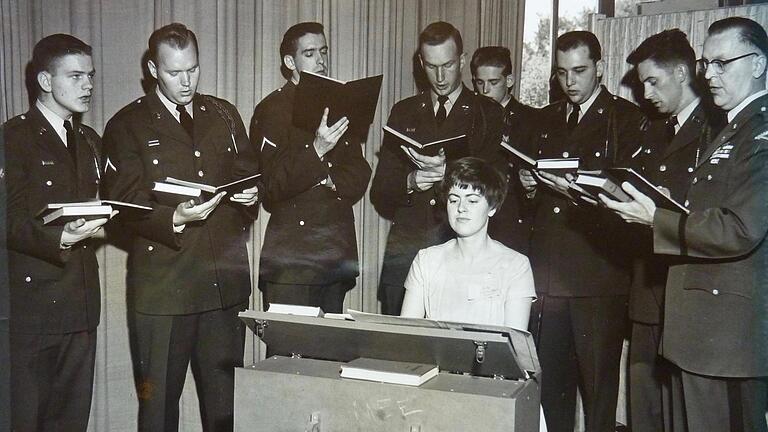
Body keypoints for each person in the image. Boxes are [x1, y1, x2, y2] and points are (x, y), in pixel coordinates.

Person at [602, 17, 768, 431]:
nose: (708, 75)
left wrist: (654, 218)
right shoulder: (734, 129)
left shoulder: (759, 131)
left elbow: (739, 228)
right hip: (699, 333)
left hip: (726, 339)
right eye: (706, 64)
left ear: (759, 65)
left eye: (722, 63)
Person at [101, 23, 259, 431]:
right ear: (154, 69)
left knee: (225, 412)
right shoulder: (127, 124)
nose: (187, 81)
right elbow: (123, 205)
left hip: (223, 288)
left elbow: (246, 175)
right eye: (175, 73)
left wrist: (249, 199)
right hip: (163, 293)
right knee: (158, 411)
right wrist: (173, 217)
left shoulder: (224, 114)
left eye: (193, 69)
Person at [519, 31, 645, 432]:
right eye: (561, 73)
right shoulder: (544, 119)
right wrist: (527, 184)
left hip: (597, 276)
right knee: (551, 389)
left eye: (579, 70)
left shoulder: (626, 120)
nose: (570, 81)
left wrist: (573, 193)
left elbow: (630, 204)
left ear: (600, 68)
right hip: (549, 275)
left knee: (598, 396)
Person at [4, 34, 104, 431]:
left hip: (80, 306)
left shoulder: (89, 141)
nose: (89, 86)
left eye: (91, 76)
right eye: (76, 76)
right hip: (32, 312)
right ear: (45, 81)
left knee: (70, 422)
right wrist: (58, 238)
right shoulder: (13, 139)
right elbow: (4, 219)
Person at [624, 29, 723, 432]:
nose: (645, 93)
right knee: (645, 403)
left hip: (691, 289)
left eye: (653, 81)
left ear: (682, 73)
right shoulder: (653, 130)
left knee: (686, 414)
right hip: (649, 289)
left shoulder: (717, 127)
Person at [371, 21, 505, 315]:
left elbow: (498, 188)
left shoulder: (489, 113)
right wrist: (411, 180)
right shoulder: (403, 111)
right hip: (406, 257)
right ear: (421, 63)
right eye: (432, 67)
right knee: (397, 356)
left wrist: (450, 172)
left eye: (448, 64)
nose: (441, 76)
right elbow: (380, 193)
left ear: (462, 60)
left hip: (461, 257)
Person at [250, 22, 371, 313]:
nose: (321, 61)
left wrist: (330, 180)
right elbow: (271, 187)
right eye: (310, 53)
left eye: (324, 51)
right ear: (290, 62)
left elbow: (360, 171)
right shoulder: (272, 109)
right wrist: (317, 151)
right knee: (288, 355)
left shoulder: (342, 102)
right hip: (292, 262)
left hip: (334, 252)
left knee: (330, 354)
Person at [400, 157, 534, 329]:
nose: (461, 208)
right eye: (454, 200)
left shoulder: (516, 265)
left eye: (472, 200)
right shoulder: (426, 260)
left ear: (492, 208)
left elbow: (515, 345)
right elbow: (408, 335)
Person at [470, 46, 538, 255]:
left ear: (509, 81)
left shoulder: (532, 120)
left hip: (513, 224)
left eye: (493, 82)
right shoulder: (469, 118)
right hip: (475, 221)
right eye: (479, 83)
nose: (485, 90)